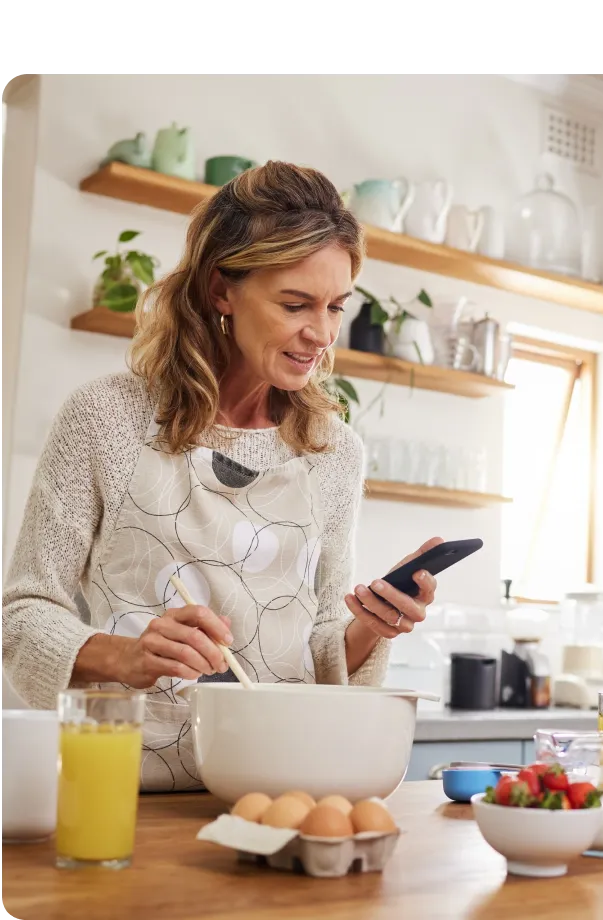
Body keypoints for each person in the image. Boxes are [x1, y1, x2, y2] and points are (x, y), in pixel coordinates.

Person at [1, 161, 442, 791]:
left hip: (283, 787)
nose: (320, 334)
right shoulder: (105, 418)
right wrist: (125, 657)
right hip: (125, 790)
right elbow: (21, 616)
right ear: (220, 290)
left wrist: (371, 625)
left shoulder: (332, 450)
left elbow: (314, 651)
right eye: (295, 304)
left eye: (335, 306)